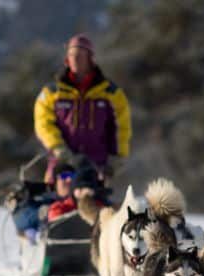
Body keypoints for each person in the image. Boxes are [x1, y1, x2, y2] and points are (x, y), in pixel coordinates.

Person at [34, 33, 132, 183]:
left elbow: (121, 127)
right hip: (63, 165)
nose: (75, 58)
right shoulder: (51, 92)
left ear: (90, 58)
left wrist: (118, 156)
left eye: (80, 54)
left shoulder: (111, 93)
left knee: (94, 204)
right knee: (57, 204)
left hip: (97, 168)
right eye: (72, 54)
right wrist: (57, 147)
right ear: (67, 58)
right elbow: (43, 123)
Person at [13, 163, 75, 244]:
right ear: (56, 180)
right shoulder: (44, 199)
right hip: (52, 246)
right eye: (65, 176)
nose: (69, 180)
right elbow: (21, 219)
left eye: (72, 176)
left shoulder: (81, 198)